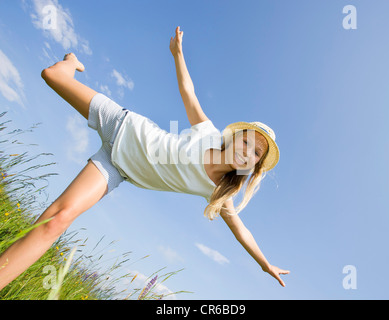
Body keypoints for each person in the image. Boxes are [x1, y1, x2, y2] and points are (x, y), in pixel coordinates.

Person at [0, 26, 289, 290]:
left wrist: (265, 265)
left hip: (116, 167)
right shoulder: (209, 133)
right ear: (236, 136)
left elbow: (243, 232)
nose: (247, 152)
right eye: (248, 141)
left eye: (256, 153)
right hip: (123, 125)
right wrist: (178, 53)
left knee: (56, 221)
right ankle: (70, 62)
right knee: (52, 75)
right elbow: (188, 92)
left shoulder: (219, 193)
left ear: (254, 166)